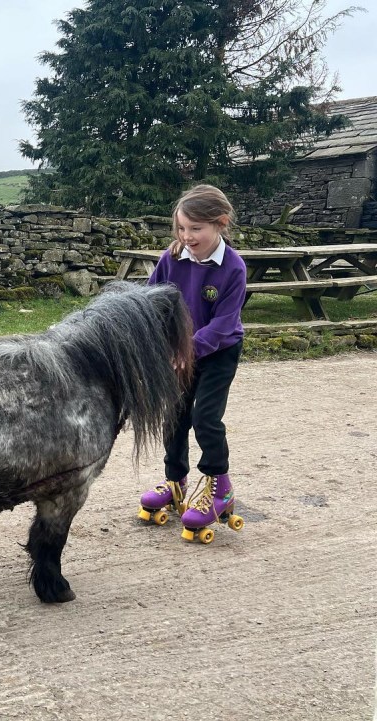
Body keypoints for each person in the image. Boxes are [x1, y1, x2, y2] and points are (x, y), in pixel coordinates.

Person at [136, 184, 247, 542]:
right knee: (175, 416)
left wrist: (186, 350)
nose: (187, 236)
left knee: (205, 418)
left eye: (195, 229)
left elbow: (224, 324)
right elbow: (151, 300)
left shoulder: (233, 267)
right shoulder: (172, 258)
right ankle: (175, 481)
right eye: (181, 229)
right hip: (179, 352)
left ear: (221, 223)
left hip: (219, 352)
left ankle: (220, 486)